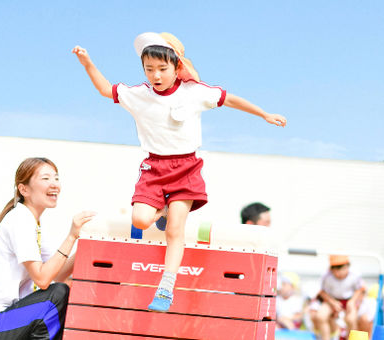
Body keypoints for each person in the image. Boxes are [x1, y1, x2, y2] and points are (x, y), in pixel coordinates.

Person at [72, 32, 286, 312]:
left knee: (175, 231)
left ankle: (165, 288)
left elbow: (231, 100)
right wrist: (87, 62)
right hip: (153, 168)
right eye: (149, 69)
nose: (156, 75)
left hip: (186, 168)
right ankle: (159, 211)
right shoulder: (139, 95)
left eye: (162, 69)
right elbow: (104, 89)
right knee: (140, 219)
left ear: (177, 67)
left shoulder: (194, 92)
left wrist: (264, 114)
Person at [0, 157, 95, 340]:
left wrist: (87, 246)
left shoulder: (33, 223)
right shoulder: (20, 220)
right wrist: (71, 236)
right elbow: (42, 279)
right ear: (24, 189)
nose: (54, 184)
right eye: (45, 178)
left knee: (58, 292)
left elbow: (56, 274)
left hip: (0, 321)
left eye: (56, 178)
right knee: (58, 294)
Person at [310, 255, 366, 340]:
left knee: (351, 319)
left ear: (347, 267)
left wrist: (352, 301)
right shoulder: (326, 276)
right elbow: (321, 291)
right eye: (336, 271)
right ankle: (326, 338)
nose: (339, 273)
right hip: (332, 299)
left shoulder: (355, 275)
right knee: (320, 316)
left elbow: (360, 289)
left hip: (349, 299)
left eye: (343, 269)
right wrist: (332, 302)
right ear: (332, 270)